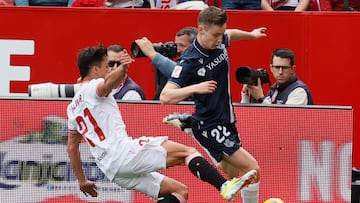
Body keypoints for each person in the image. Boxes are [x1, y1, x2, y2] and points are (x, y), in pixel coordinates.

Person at [66, 44, 257, 202]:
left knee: (179, 192)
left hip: (110, 169)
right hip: (123, 153)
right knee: (187, 152)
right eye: (107, 66)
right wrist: (123, 68)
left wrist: (82, 181)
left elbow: (72, 148)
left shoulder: (72, 108)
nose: (110, 70)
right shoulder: (93, 87)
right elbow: (107, 85)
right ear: (95, 70)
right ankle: (223, 186)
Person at [159, 6, 266, 203]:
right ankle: (194, 125)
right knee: (252, 169)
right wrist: (195, 88)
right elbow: (165, 96)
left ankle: (190, 125)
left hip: (227, 119)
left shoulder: (219, 40)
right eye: (216, 35)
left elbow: (230, 35)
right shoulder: (188, 62)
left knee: (239, 177)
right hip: (211, 124)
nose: (220, 39)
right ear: (201, 30)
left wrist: (251, 35)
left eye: (221, 34)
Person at [135, 27, 198, 100]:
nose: (177, 50)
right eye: (176, 45)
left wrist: (153, 54)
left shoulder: (201, 63)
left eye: (182, 45)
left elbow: (180, 72)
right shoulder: (181, 62)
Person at [241, 48, 313, 105]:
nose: (280, 72)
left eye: (284, 68)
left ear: (293, 69)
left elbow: (284, 119)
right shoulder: (274, 89)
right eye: (277, 67)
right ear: (271, 68)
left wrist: (260, 98)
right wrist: (246, 96)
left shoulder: (299, 91)